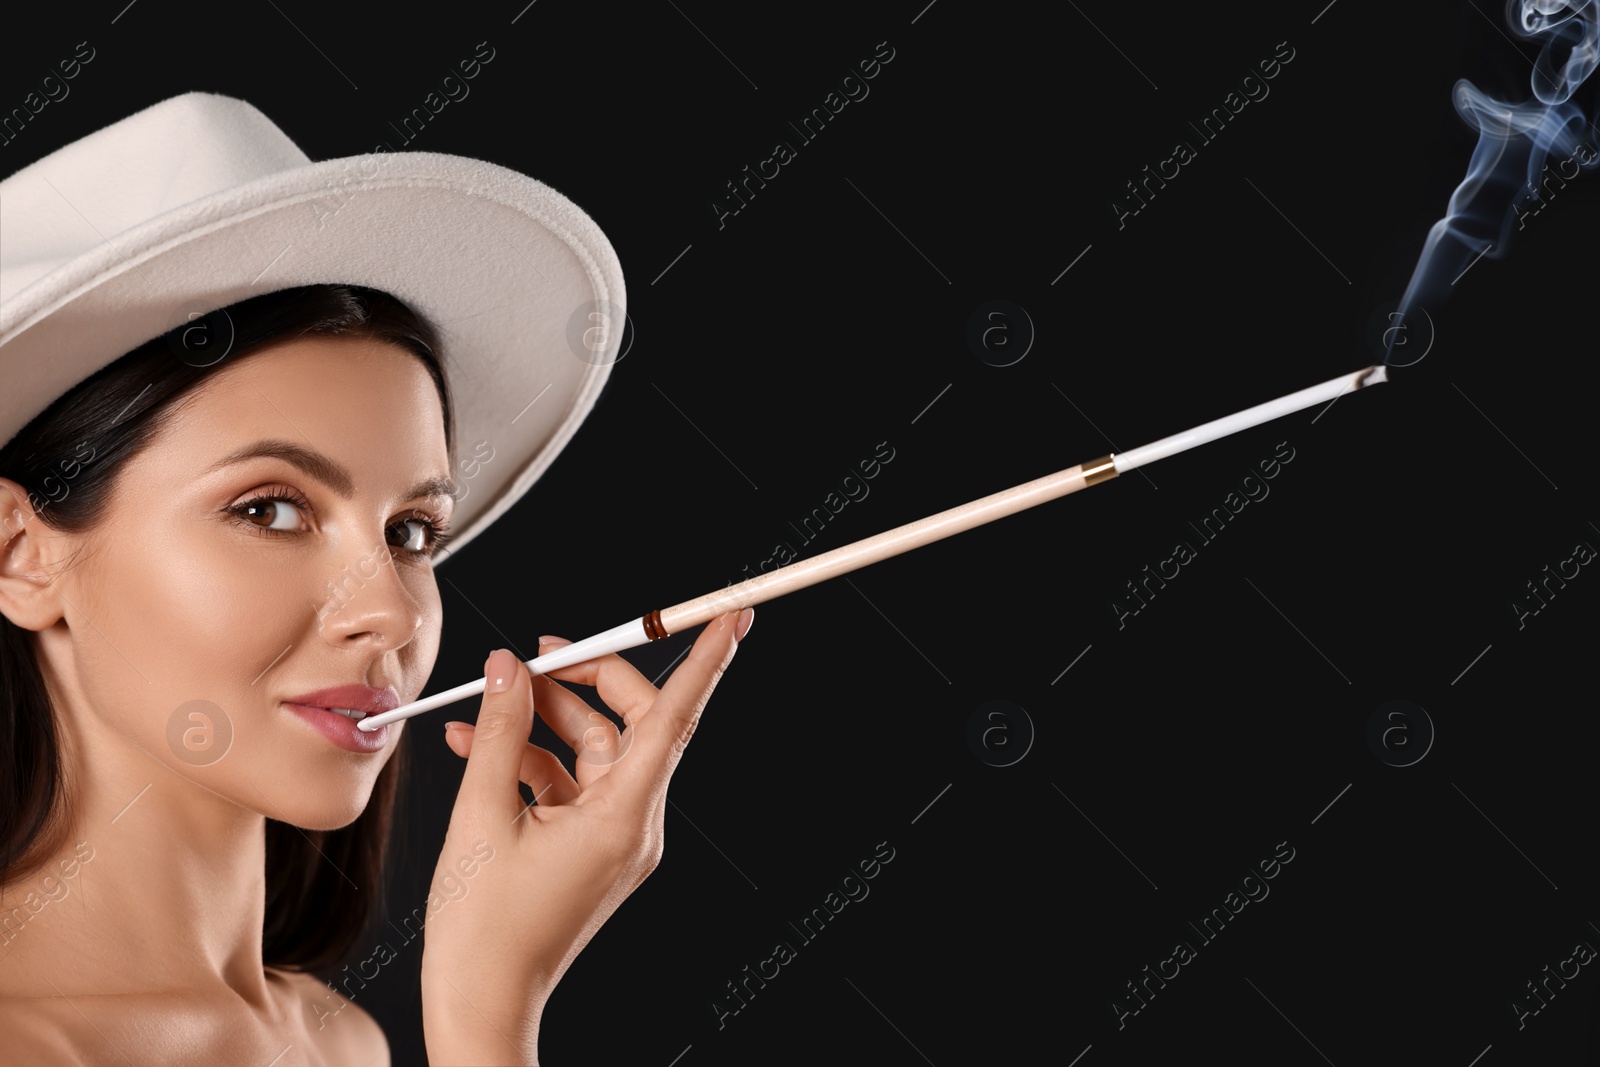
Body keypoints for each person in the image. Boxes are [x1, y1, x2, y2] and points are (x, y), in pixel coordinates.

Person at [0, 94, 750, 1065]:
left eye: (409, 530)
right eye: (270, 508)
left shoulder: (339, 1041)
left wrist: (490, 999)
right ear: (21, 551)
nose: (391, 611)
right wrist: (484, 1010)